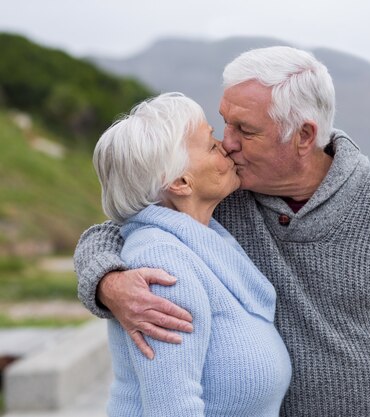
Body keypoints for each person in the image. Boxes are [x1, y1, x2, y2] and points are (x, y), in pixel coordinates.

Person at [75, 47, 370, 416]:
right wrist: (108, 282)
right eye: (225, 123)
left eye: (245, 129)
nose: (227, 143)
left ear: (304, 136)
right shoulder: (225, 194)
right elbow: (128, 226)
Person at [91, 92, 291, 416]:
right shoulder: (162, 269)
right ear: (181, 182)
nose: (226, 146)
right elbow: (172, 408)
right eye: (212, 145)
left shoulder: (203, 237)